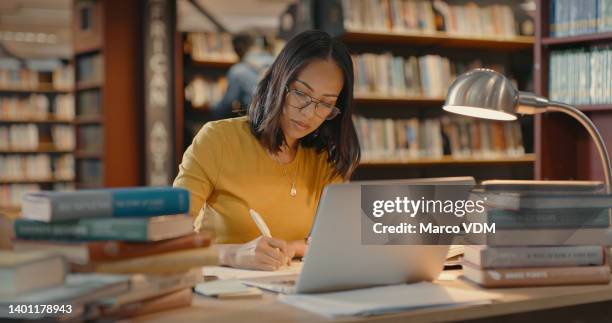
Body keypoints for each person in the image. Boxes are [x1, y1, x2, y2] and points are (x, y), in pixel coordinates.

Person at [173, 30, 360, 271]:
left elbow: (337, 239)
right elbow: (171, 239)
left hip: (291, 293)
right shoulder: (218, 140)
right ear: (278, 81)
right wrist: (232, 254)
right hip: (224, 293)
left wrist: (292, 248)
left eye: (325, 104)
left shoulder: (325, 159)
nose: (308, 113)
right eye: (301, 93)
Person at [209, 33, 274, 119]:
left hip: (257, 122)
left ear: (237, 50)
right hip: (277, 120)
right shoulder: (278, 61)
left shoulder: (238, 71)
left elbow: (227, 104)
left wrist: (213, 108)